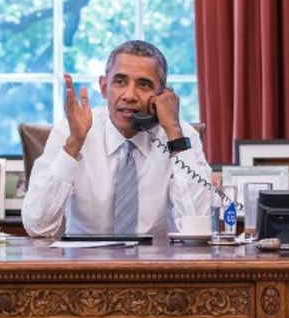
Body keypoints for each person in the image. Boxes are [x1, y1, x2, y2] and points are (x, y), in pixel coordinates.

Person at [21, 40, 212, 238]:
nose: (129, 95)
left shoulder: (182, 135)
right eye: (120, 82)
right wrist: (74, 143)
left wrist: (174, 133)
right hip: (85, 264)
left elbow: (201, 223)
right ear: (104, 87)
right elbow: (37, 226)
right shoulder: (70, 132)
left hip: (157, 265)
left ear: (163, 95)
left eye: (144, 85)